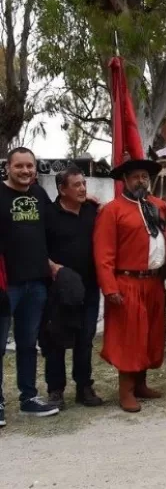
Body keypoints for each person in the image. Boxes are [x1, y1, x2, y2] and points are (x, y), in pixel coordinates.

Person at [93, 158, 166, 413]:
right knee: (130, 336)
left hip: (154, 281)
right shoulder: (112, 210)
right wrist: (110, 287)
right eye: (136, 176)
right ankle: (125, 391)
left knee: (151, 334)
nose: (141, 181)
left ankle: (141, 384)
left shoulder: (159, 207)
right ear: (125, 180)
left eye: (145, 177)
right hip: (127, 282)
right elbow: (103, 253)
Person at [0, 147, 60, 422]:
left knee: (27, 344)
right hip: (5, 285)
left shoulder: (39, 195)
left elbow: (54, 224)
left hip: (35, 283)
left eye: (30, 166)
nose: (25, 171)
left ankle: (28, 398)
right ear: (8, 167)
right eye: (19, 166)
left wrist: (88, 201)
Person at [43, 167, 103, 409]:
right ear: (62, 189)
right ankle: (56, 390)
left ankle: (84, 387)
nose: (82, 189)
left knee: (85, 338)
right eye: (76, 185)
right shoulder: (49, 214)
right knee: (56, 339)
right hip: (60, 290)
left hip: (89, 287)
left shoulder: (92, 210)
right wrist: (52, 267)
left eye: (83, 184)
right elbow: (40, 247)